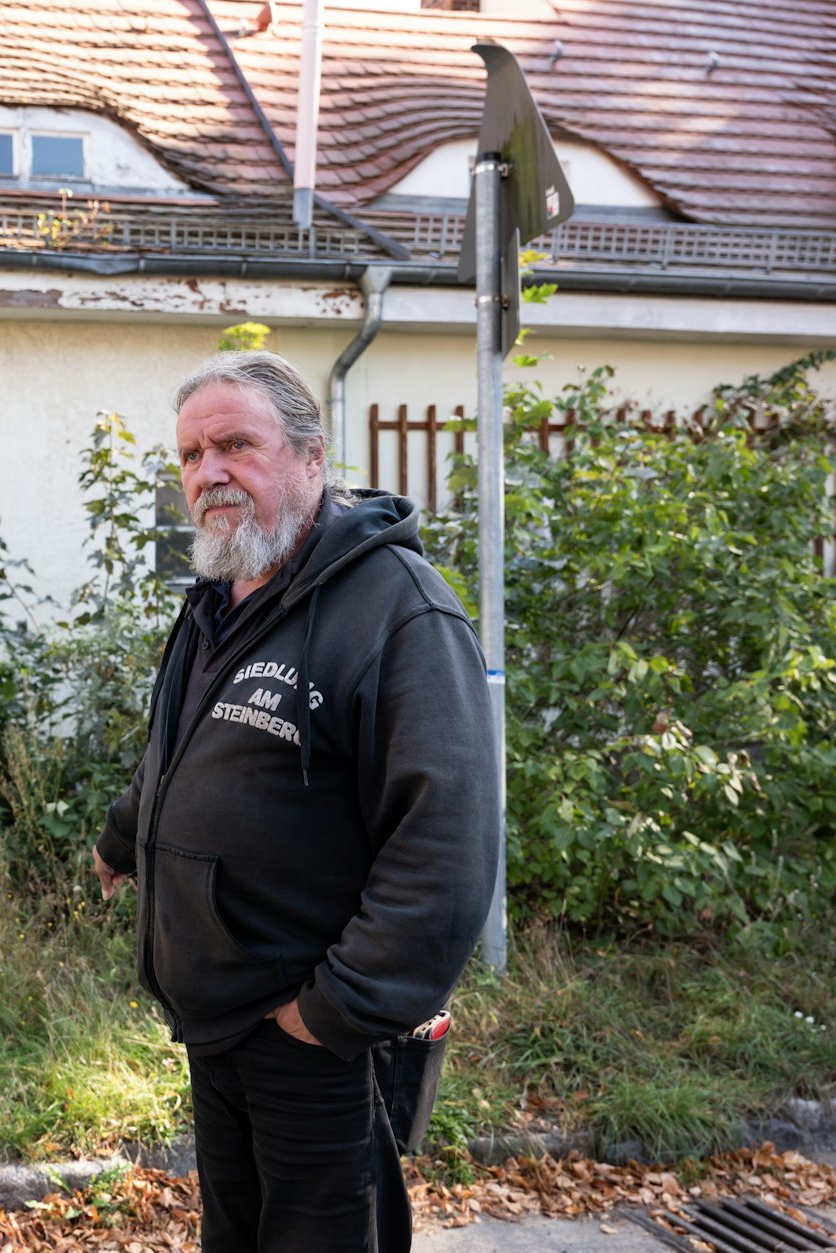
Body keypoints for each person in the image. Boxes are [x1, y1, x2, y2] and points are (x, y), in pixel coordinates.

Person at [93, 350, 498, 1252]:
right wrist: (124, 839)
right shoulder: (221, 598)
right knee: (237, 1234)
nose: (210, 473)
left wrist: (331, 1011)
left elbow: (448, 842)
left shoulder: (399, 612)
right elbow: (184, 749)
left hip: (315, 1036)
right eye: (192, 455)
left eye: (236, 444)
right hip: (218, 1016)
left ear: (312, 459)